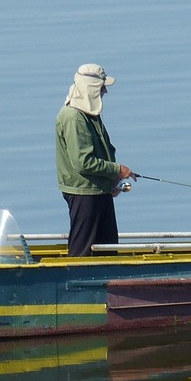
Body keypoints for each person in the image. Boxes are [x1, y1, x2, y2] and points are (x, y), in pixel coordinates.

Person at [55, 63, 135, 257]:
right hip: (83, 192)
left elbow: (107, 148)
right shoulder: (73, 117)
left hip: (99, 190)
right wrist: (117, 170)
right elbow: (83, 162)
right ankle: (76, 283)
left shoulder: (90, 115)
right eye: (102, 87)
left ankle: (107, 282)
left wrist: (110, 182)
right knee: (83, 248)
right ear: (91, 88)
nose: (105, 91)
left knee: (108, 246)